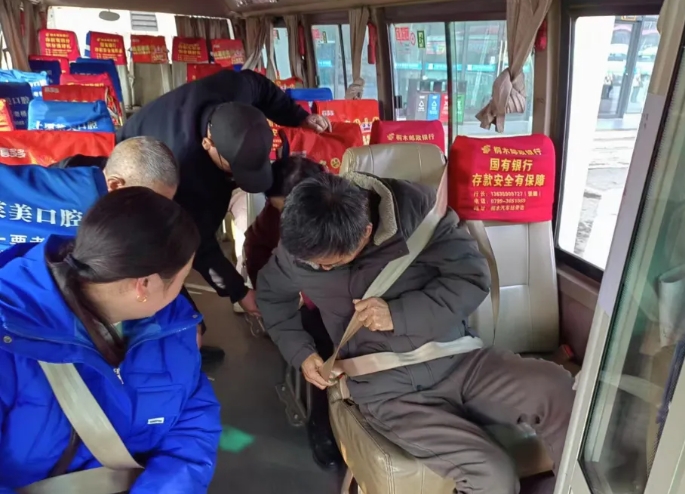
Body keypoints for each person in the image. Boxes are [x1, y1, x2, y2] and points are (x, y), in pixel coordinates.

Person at [257, 173, 575, 494]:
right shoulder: (304, 248)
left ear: (366, 232)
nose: (321, 269)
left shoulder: (421, 215)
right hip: (389, 392)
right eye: (316, 264)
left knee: (557, 389)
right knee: (492, 475)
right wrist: (302, 353)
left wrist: (398, 315)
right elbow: (271, 295)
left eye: (331, 263)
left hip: (458, 360)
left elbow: (472, 277)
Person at [0, 187, 221, 493]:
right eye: (183, 278)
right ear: (144, 285)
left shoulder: (173, 324)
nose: (181, 291)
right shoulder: (10, 336)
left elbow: (194, 417)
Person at [116, 68, 330, 365]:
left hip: (192, 143)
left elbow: (261, 87)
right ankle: (180, 347)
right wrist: (239, 291)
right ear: (209, 145)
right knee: (173, 282)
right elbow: (199, 241)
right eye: (234, 170)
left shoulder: (235, 89)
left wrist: (298, 117)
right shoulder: (185, 172)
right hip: (138, 165)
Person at [244, 156, 341, 469]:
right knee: (320, 349)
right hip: (308, 298)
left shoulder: (343, 209)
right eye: (278, 209)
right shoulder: (273, 219)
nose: (286, 217)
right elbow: (258, 254)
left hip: (351, 294)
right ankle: (323, 424)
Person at [0, 136, 179, 253]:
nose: (155, 213)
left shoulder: (71, 174)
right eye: (149, 202)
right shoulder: (106, 227)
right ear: (115, 184)